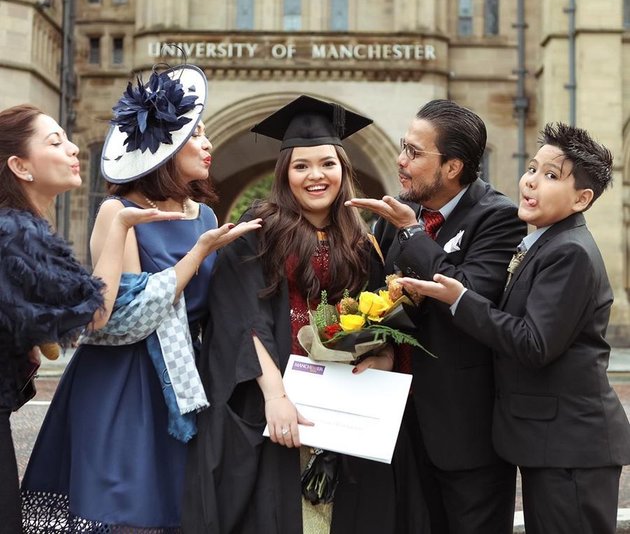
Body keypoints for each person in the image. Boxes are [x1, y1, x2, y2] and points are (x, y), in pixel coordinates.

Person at [21, 64, 261, 532]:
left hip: (182, 386)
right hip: (121, 382)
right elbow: (122, 317)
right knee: (120, 514)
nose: (207, 144)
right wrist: (198, 254)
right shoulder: (118, 210)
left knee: (177, 512)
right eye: (196, 134)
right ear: (166, 147)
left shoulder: (207, 214)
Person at [182, 95, 429, 534]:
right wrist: (275, 396)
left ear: (343, 170)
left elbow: (382, 317)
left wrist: (385, 357)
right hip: (277, 404)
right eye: (301, 166)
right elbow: (240, 316)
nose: (316, 175)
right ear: (285, 174)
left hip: (344, 405)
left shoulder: (361, 239)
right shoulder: (258, 231)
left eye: (327, 164)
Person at [398, 122, 630, 534]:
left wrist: (460, 300)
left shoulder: (570, 252)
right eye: (533, 168)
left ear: (582, 198)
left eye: (551, 176)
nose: (532, 182)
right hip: (550, 444)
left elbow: (534, 343)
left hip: (572, 448)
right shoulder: (545, 242)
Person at [347, 99, 527, 534]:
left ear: (452, 167)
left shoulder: (499, 218)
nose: (400, 160)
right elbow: (378, 298)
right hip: (399, 429)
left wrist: (411, 232)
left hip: (465, 434)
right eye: (403, 148)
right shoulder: (394, 219)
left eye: (413, 152)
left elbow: (467, 296)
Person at [0, 103, 176, 534]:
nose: (74, 147)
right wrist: (119, 226)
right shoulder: (16, 232)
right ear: (20, 166)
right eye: (55, 142)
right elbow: (94, 314)